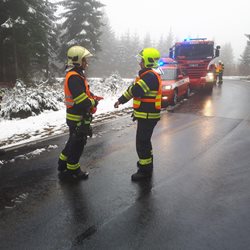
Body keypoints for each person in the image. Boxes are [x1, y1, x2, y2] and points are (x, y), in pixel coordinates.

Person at [114, 48, 162, 181]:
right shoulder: (146, 75)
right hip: (145, 115)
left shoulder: (150, 76)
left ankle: (144, 170)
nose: (139, 62)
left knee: (142, 142)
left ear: (148, 61)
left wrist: (134, 86)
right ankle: (147, 164)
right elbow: (132, 90)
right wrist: (121, 100)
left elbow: (136, 90)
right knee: (145, 142)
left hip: (148, 116)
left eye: (141, 60)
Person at [58, 45, 99, 180]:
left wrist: (92, 96)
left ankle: (62, 162)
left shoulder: (76, 75)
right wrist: (93, 102)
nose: (86, 63)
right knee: (78, 143)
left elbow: (84, 92)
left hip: (75, 116)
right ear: (77, 61)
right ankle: (73, 170)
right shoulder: (74, 77)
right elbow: (81, 100)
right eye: (84, 60)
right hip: (77, 117)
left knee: (72, 140)